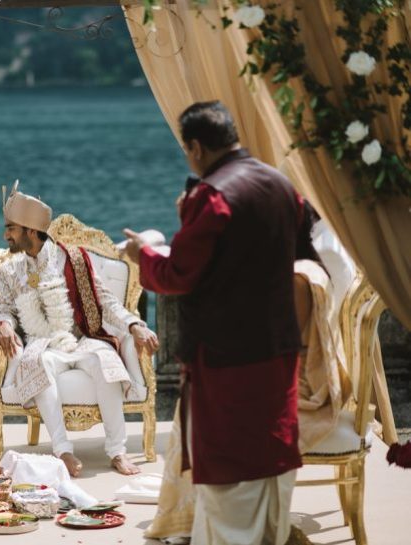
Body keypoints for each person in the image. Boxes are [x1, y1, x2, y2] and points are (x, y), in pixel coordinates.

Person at [123, 101, 310, 545]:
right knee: (270, 458)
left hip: (228, 355)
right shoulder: (281, 184)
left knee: (230, 470)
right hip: (278, 346)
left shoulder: (215, 196)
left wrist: (142, 255)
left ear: (195, 146)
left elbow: (177, 275)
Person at [0, 181, 159, 477]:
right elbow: (3, 307)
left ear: (31, 231)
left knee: (104, 361)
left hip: (82, 339)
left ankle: (117, 452)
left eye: (11, 228)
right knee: (37, 362)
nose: (6, 235)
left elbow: (106, 301)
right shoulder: (10, 269)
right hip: (44, 345)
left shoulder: (75, 259)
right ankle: (63, 451)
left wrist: (134, 326)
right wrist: (3, 325)